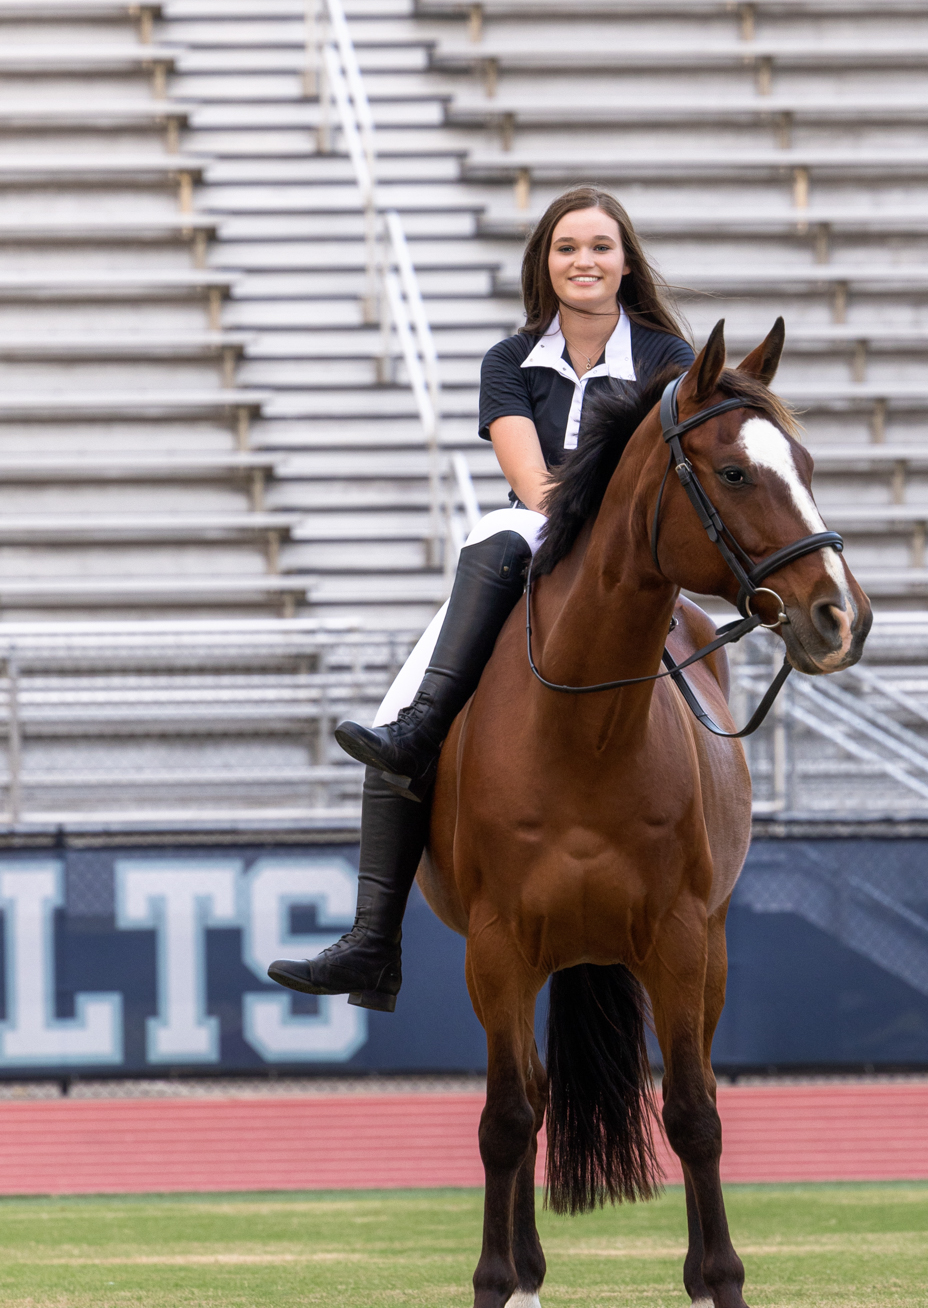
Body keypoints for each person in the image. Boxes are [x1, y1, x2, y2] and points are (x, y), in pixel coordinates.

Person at [267, 186, 694, 1014]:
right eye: (566, 248)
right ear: (545, 264)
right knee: (441, 632)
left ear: (626, 262)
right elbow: (534, 485)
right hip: (534, 533)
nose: (584, 261)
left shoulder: (669, 359)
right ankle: (371, 938)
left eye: (600, 247)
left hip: (632, 560)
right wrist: (576, 520)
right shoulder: (508, 362)